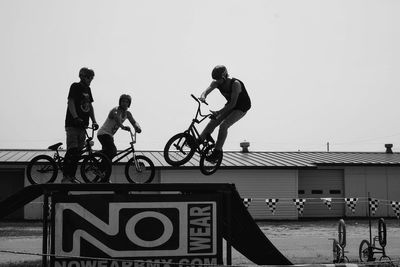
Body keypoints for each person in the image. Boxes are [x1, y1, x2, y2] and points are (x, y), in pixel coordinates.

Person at [198, 65, 251, 162]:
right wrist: (203, 96)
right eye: (216, 79)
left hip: (241, 107)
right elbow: (207, 90)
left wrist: (218, 112)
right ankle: (199, 140)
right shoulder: (216, 82)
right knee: (213, 121)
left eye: (219, 79)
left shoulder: (235, 84)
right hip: (230, 105)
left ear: (225, 76)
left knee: (223, 125)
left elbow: (232, 104)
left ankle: (217, 152)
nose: (217, 82)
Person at [62, 67, 98, 183]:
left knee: (78, 154)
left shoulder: (88, 89)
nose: (90, 80)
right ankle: (66, 177)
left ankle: (71, 176)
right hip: (73, 124)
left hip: (83, 126)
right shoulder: (75, 86)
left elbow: (90, 106)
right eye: (88, 77)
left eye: (92, 78)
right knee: (72, 150)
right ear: (82, 76)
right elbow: (71, 102)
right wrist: (75, 117)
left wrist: (94, 121)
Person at [97, 94, 142, 162]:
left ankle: (101, 170)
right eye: (123, 101)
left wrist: (137, 128)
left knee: (108, 157)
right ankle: (93, 155)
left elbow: (134, 122)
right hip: (103, 134)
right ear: (120, 102)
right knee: (113, 151)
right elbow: (117, 118)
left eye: (127, 102)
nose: (124, 103)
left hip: (110, 136)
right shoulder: (116, 110)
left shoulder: (128, 114)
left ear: (129, 104)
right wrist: (122, 126)